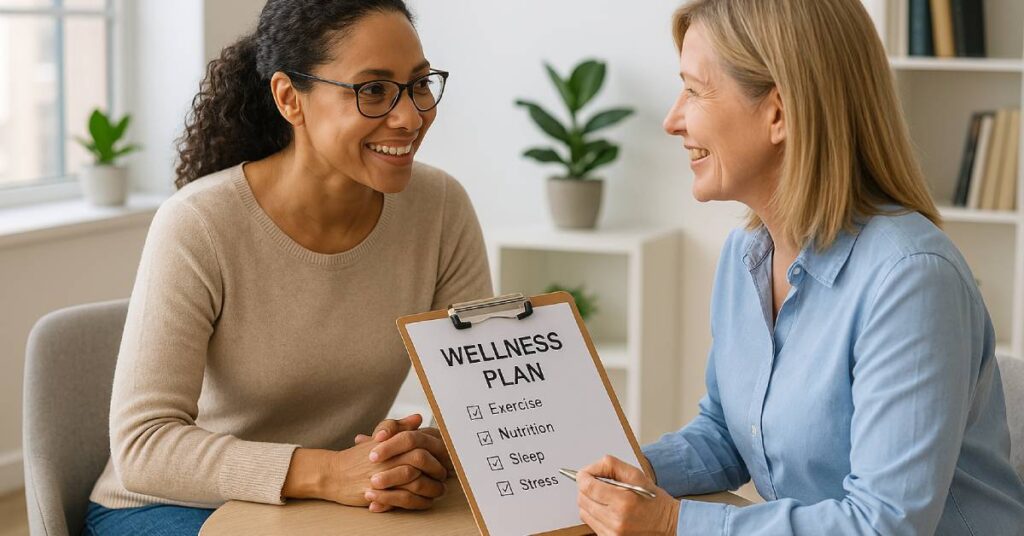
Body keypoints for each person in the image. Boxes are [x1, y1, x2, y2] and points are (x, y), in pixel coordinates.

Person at [572, 0, 1024, 534]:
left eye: (694, 90)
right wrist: (635, 474)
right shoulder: (745, 259)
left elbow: (883, 525)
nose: (673, 120)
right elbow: (727, 431)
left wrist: (672, 523)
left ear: (779, 112)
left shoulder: (910, 278)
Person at [82, 1, 492, 534]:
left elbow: (484, 392)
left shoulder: (439, 206)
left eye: (418, 84)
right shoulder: (199, 224)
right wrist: (326, 471)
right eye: (373, 90)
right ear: (288, 99)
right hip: (167, 505)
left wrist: (416, 452)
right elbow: (144, 446)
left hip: (327, 504)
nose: (411, 115)